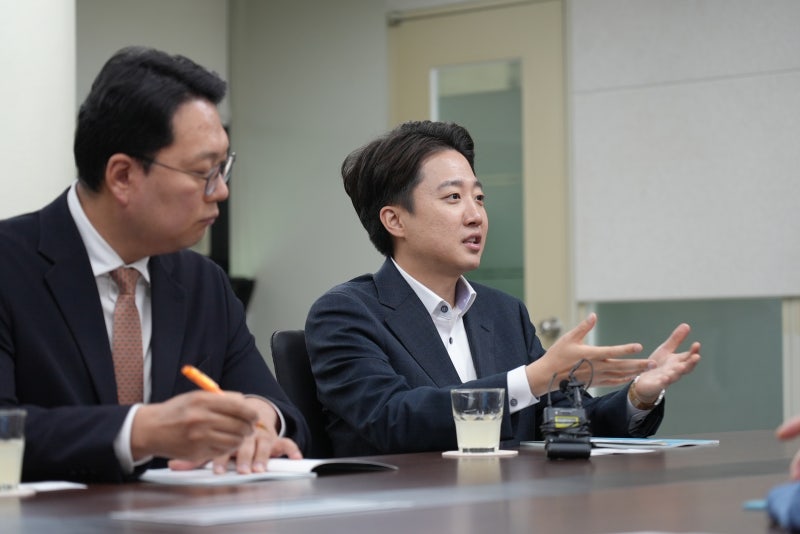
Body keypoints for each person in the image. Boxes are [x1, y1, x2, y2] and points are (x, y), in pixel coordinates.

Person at [0, 46, 309, 483]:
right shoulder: (10, 265)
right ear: (123, 176)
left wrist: (261, 419)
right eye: (204, 172)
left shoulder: (203, 282)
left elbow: (278, 410)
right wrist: (141, 430)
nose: (221, 191)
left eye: (223, 168)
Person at [305, 120, 701, 457]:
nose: (476, 215)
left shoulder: (503, 313)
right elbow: (391, 419)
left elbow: (566, 421)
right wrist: (533, 378)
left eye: (479, 198)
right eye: (453, 197)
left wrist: (639, 395)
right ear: (395, 220)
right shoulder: (346, 313)